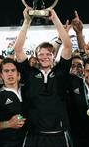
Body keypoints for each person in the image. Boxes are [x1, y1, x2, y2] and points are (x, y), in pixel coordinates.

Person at [14, 8, 72, 147]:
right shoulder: (30, 73)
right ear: (36, 56)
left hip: (58, 133)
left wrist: (55, 19)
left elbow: (68, 46)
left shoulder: (61, 72)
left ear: (53, 56)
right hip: (34, 134)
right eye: (41, 54)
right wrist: (27, 21)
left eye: (48, 54)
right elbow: (18, 49)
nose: (45, 57)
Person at [0, 58, 26, 147]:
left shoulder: (28, 90)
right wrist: (8, 123)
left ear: (18, 73)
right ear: (1, 75)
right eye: (6, 71)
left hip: (30, 141)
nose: (10, 73)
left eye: (13, 70)